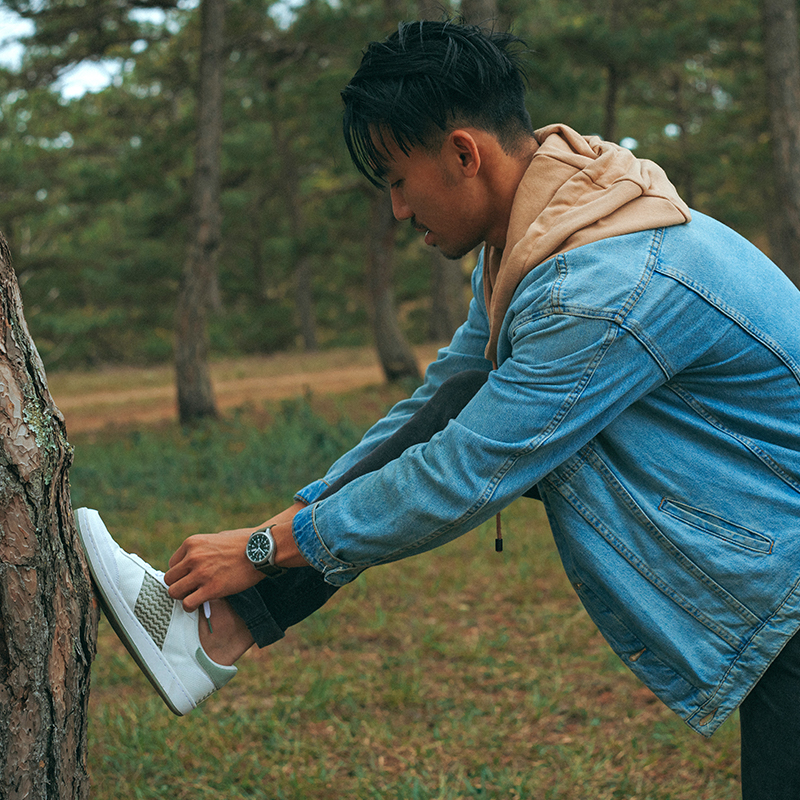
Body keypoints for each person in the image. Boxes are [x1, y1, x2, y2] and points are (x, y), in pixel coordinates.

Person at [76, 19, 800, 799]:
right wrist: (270, 560)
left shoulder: (596, 289)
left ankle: (221, 634)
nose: (394, 211)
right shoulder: (551, 232)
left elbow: (461, 474)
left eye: (395, 179)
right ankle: (219, 636)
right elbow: (435, 414)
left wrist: (259, 547)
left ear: (463, 153)